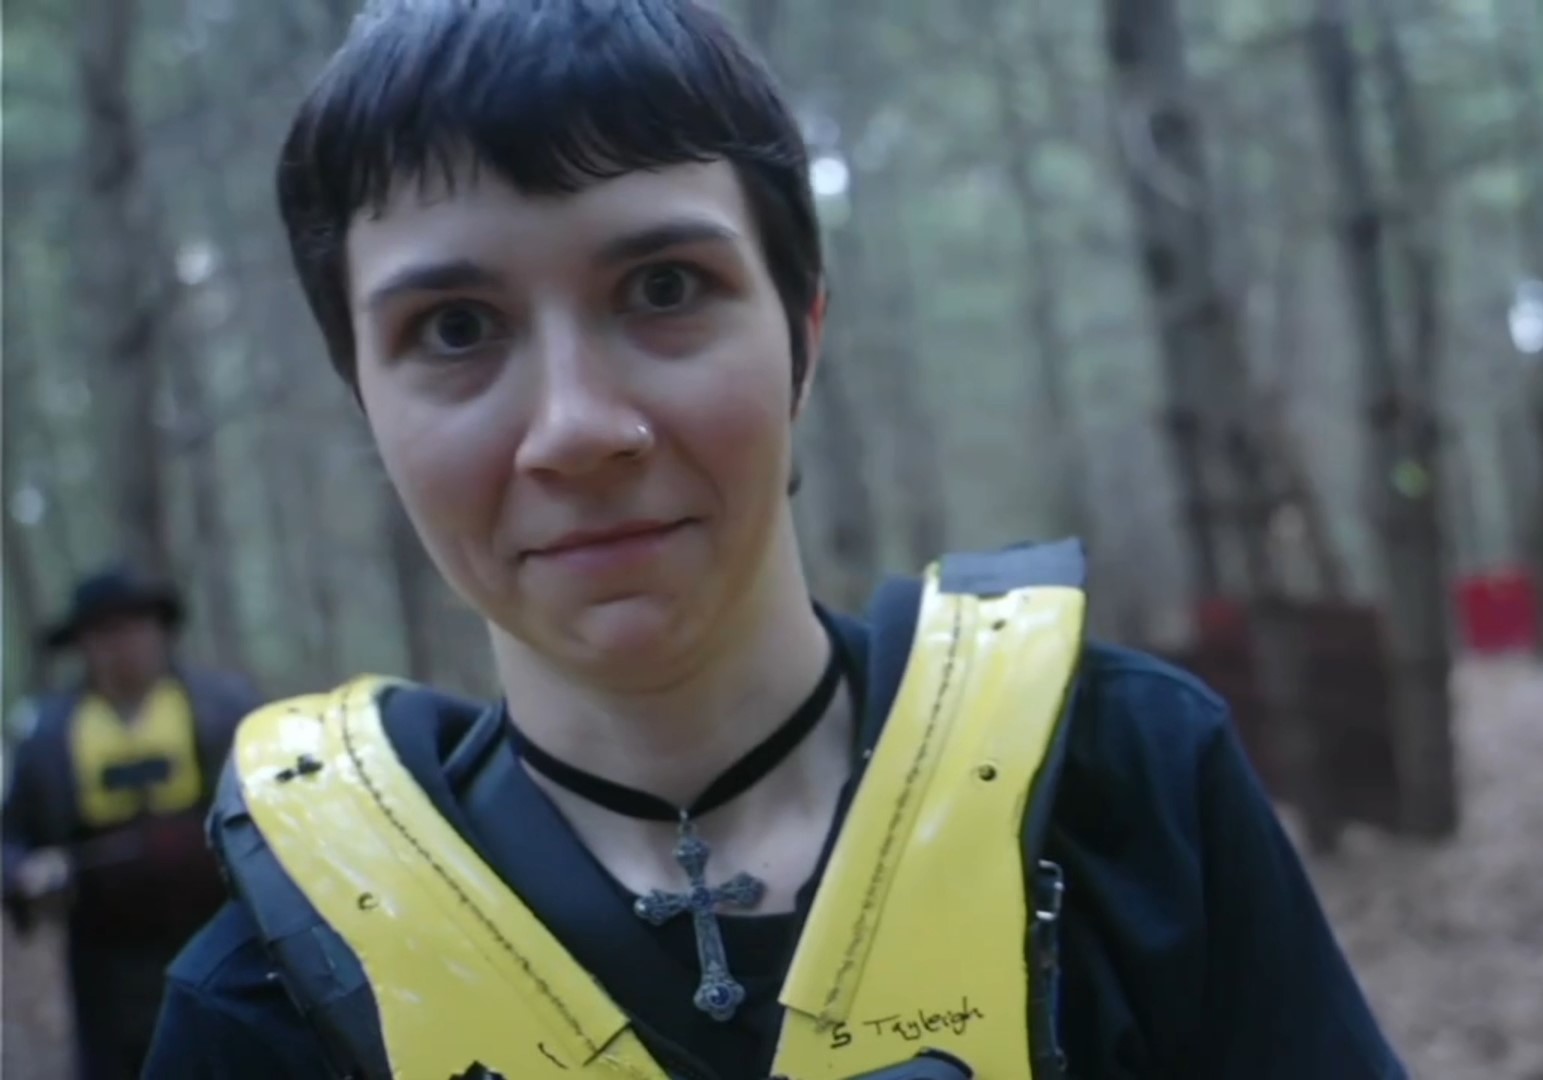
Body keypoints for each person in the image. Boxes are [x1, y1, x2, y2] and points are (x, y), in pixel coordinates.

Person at [144, 2, 1405, 1077]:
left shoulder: (1128, 795)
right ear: (365, 402)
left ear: (804, 333)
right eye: (456, 329)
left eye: (663, 289)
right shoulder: (271, 1002)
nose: (578, 430)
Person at [2, 565, 262, 1080]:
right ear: (83, 644)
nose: (123, 646)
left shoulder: (225, 707)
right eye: (105, 633)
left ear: (160, 631)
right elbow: (9, 838)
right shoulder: (47, 735)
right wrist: (27, 871)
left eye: (135, 627)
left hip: (219, 927)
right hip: (107, 953)